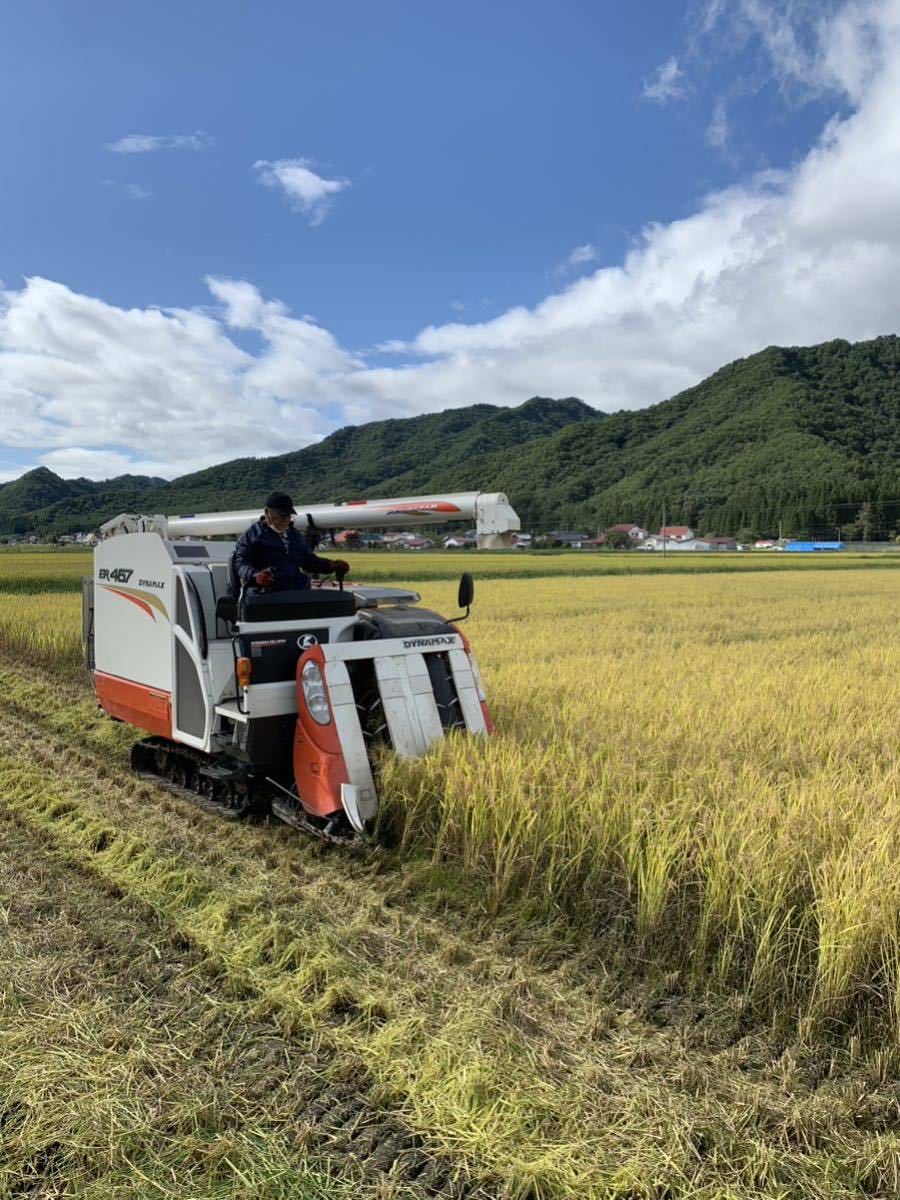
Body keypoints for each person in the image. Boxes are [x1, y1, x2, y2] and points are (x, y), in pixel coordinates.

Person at [233, 492, 350, 592]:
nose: (285, 519)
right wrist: (255, 576)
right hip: (266, 596)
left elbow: (308, 561)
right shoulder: (253, 536)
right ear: (267, 512)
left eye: (288, 515)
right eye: (281, 515)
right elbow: (241, 563)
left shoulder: (294, 535)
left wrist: (330, 565)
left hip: (296, 593)